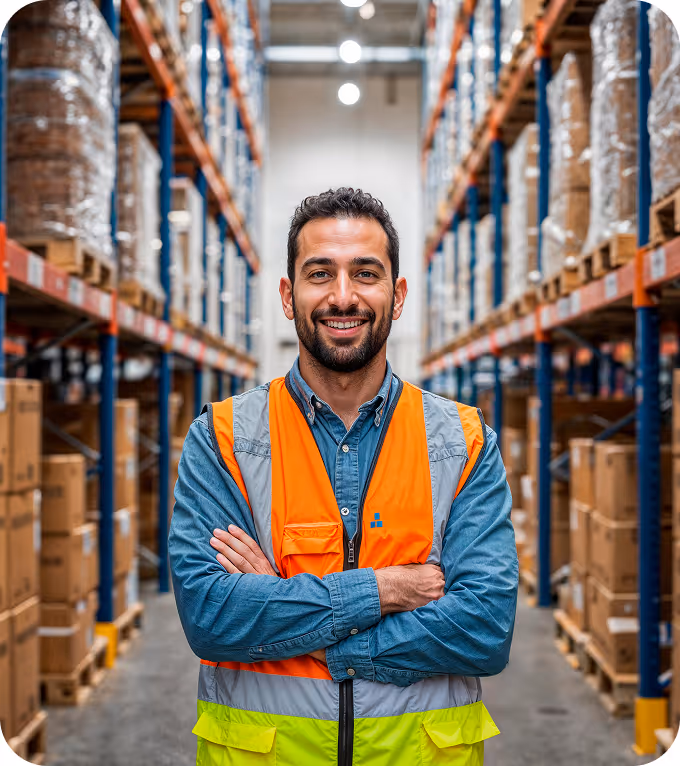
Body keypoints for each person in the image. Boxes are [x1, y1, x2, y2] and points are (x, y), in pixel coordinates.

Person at [169, 187, 519, 766]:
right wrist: (385, 591)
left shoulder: (463, 438)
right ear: (288, 295)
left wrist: (283, 611)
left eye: (366, 273)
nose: (343, 296)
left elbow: (484, 627)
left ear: (397, 295)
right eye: (319, 274)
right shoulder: (224, 437)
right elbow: (211, 618)